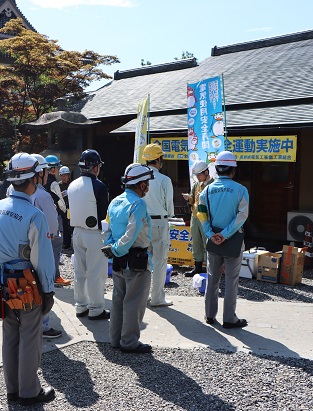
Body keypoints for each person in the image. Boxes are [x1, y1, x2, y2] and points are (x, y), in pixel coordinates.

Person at [0, 153, 56, 405]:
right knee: (30, 336)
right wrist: (48, 290)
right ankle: (29, 391)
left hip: (3, 282)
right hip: (25, 284)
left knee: (10, 333)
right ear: (34, 177)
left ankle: (11, 389)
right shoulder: (35, 215)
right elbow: (42, 259)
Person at [102, 163, 154, 353]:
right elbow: (132, 234)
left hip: (118, 259)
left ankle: (115, 339)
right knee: (134, 302)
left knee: (118, 299)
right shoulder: (138, 203)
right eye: (146, 183)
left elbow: (107, 229)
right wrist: (117, 249)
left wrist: (112, 248)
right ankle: (130, 342)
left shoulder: (115, 201)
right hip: (136, 258)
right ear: (141, 185)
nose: (148, 186)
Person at [198, 151, 249, 329]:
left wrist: (211, 233)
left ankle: (209, 315)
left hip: (212, 240)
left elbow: (201, 214)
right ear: (233, 170)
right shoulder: (241, 190)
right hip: (233, 240)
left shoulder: (206, 190)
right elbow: (242, 216)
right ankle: (229, 318)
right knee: (231, 280)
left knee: (212, 278)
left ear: (216, 170)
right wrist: (225, 234)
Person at [67, 149, 110, 320]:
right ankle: (96, 308)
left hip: (77, 231)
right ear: (95, 167)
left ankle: (80, 305)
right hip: (94, 233)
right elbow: (104, 214)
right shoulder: (99, 186)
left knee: (80, 271)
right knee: (96, 272)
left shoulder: (72, 184)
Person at [31, 153, 63, 338]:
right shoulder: (43, 195)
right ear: (41, 172)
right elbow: (52, 226)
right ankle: (43, 324)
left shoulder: (12, 190)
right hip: (43, 243)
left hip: (23, 245)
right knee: (44, 281)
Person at [142, 143, 174, 307]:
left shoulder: (141, 177)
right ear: (159, 159)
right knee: (160, 261)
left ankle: (145, 294)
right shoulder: (164, 179)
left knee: (145, 260)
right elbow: (169, 205)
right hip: (160, 221)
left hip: (144, 222)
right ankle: (157, 298)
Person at [183, 160, 213, 277]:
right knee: (196, 242)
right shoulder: (196, 185)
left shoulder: (212, 184)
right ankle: (198, 268)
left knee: (208, 243)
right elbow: (193, 199)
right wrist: (189, 198)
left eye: (199, 174)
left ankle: (211, 268)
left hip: (206, 218)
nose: (197, 177)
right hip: (195, 216)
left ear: (206, 172)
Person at [44, 154, 70, 285]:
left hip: (41, 218)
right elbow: (60, 202)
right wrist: (65, 209)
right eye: (57, 168)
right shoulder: (53, 182)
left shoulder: (40, 182)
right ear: (52, 169)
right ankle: (56, 276)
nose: (59, 170)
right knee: (57, 243)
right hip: (54, 215)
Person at [58, 166, 73, 249]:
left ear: (68, 175)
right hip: (63, 208)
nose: (64, 177)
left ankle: (74, 242)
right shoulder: (58, 185)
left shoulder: (72, 184)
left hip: (72, 207)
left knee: (73, 225)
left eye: (65, 175)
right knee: (65, 225)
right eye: (62, 176)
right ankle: (66, 243)